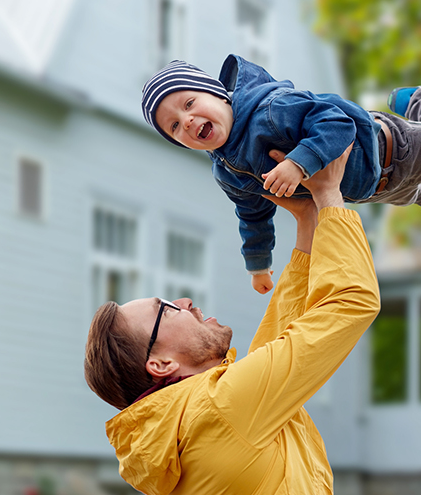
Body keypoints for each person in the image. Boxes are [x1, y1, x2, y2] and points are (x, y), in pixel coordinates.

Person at [84, 146, 379, 494]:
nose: (185, 301)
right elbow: (351, 302)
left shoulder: (189, 426)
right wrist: (329, 194)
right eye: (165, 308)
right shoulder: (220, 408)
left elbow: (278, 341)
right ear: (161, 364)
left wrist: (308, 221)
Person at [140, 54, 421, 294]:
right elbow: (252, 213)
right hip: (369, 188)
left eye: (188, 104)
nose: (186, 121)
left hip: (392, 146)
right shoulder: (228, 171)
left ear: (217, 94)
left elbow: (337, 123)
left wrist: (297, 163)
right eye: (174, 126)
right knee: (415, 192)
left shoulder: (272, 109)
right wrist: (258, 262)